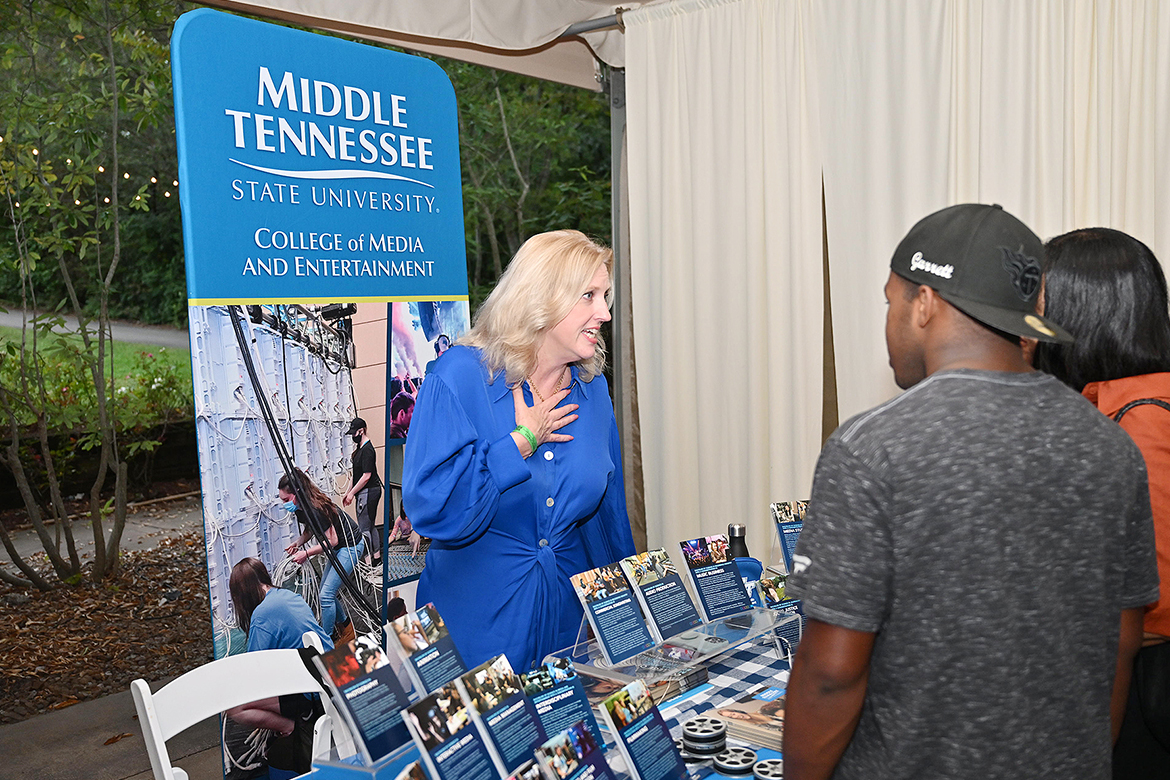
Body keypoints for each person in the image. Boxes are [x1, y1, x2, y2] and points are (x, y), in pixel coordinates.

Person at [783, 204, 1159, 780]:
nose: (888, 320)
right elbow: (1121, 642)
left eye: (891, 301)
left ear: (925, 304)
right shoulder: (1110, 446)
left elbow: (830, 673)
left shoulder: (870, 449)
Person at [402, 229, 635, 670]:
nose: (604, 312)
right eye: (588, 296)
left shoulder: (593, 391)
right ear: (541, 298)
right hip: (468, 629)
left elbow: (608, 516)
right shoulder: (459, 376)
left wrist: (627, 614)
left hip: (566, 627)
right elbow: (433, 511)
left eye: (605, 296)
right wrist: (519, 443)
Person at [1031, 227, 1170, 778]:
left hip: (1143, 689)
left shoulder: (1142, 420)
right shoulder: (1118, 407)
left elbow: (1152, 601)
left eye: (1039, 305)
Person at [225, 557, 332, 773]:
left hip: (311, 691)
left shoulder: (261, 615)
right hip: (329, 672)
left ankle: (290, 728)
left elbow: (251, 671)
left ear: (241, 594)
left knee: (235, 708)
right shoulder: (289, 595)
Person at [280, 468, 365, 640]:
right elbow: (310, 530)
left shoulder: (315, 508)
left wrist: (306, 553)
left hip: (350, 546)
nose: (284, 504)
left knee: (325, 595)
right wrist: (297, 543)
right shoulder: (300, 508)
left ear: (296, 493)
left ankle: (327, 640)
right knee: (325, 592)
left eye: (286, 499)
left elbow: (332, 541)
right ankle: (347, 629)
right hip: (338, 547)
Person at [342, 417, 382, 558]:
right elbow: (356, 475)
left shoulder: (367, 450)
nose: (353, 436)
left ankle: (369, 563)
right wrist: (348, 492)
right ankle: (376, 559)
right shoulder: (360, 449)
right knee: (370, 526)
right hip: (366, 491)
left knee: (364, 528)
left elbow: (366, 476)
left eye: (354, 433)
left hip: (369, 491)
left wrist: (352, 493)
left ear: (361, 431)